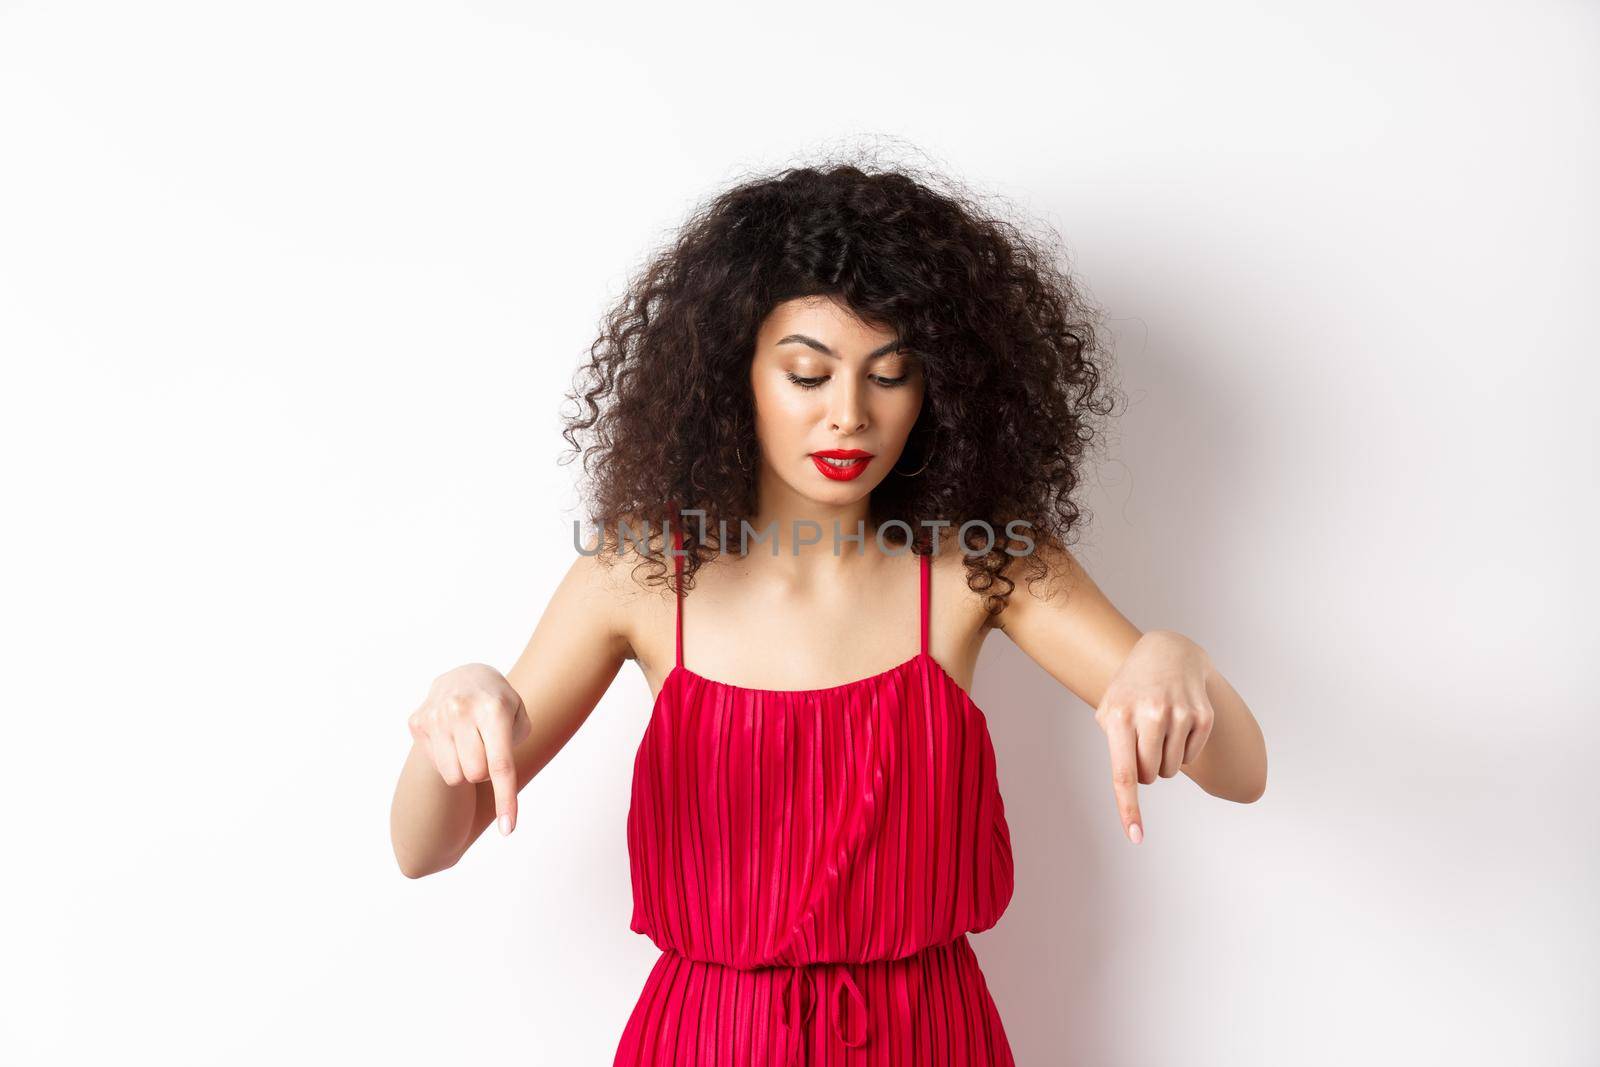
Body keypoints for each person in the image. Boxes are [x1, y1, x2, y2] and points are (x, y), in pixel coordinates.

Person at [389, 159, 1268, 1065]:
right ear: (737, 375)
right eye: (808, 374)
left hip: (930, 1042)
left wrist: (1172, 655)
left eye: (890, 376)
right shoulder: (642, 575)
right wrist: (456, 702)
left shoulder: (980, 562)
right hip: (707, 1042)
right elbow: (425, 847)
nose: (850, 415)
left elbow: (1240, 773)